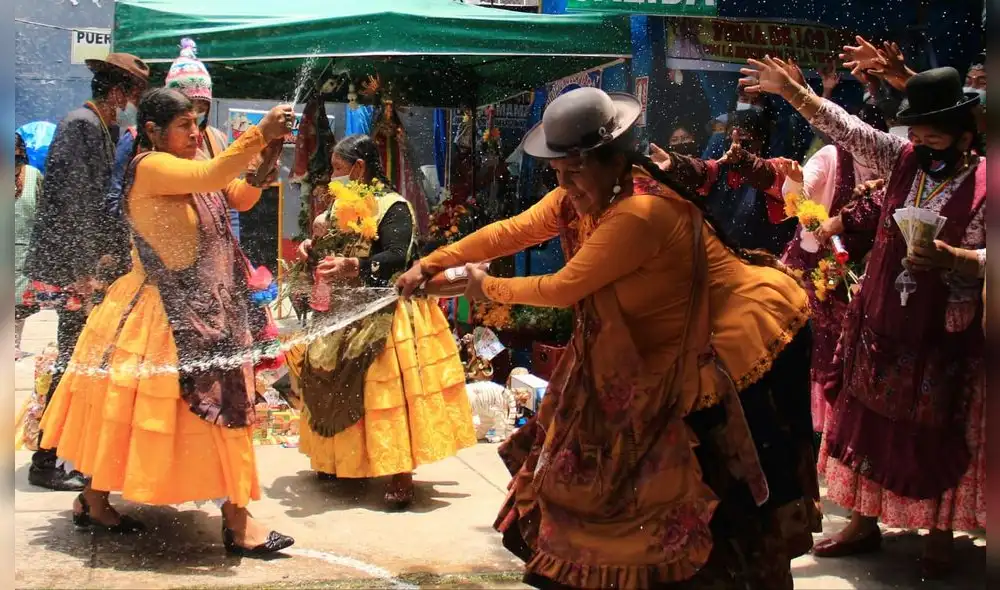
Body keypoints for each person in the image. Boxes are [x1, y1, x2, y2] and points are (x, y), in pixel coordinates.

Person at [398, 87, 819, 590]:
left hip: (730, 335)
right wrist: (432, 261)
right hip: (652, 342)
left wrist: (481, 285)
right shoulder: (584, 195)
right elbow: (511, 231)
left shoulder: (642, 213)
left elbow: (564, 286)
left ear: (613, 158)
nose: (565, 182)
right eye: (558, 171)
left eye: (575, 169)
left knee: (728, 480)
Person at [742, 59, 986, 577]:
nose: (925, 146)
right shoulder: (900, 159)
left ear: (966, 135)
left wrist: (955, 259)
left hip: (946, 334)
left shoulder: (990, 184)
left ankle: (939, 533)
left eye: (936, 137)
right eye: (918, 135)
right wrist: (795, 93)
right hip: (881, 320)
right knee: (865, 422)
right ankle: (862, 521)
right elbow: (847, 128)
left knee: (937, 432)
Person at [38, 88, 296, 556]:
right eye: (183, 125)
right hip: (161, 313)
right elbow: (212, 173)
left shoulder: (189, 165)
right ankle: (238, 522)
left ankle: (95, 499)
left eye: (197, 122)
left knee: (155, 416)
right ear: (153, 131)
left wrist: (264, 162)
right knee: (179, 416)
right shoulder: (152, 166)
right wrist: (260, 133)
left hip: (202, 308)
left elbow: (234, 196)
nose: (195, 132)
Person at [295, 134, 476, 509]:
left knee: (386, 393)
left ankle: (399, 471)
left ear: (359, 168)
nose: (332, 177)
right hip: (341, 313)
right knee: (328, 379)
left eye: (338, 169)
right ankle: (337, 459)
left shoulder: (394, 207)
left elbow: (396, 255)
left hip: (387, 311)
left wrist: (355, 265)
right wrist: (311, 250)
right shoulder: (336, 208)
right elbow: (328, 250)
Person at [24, 52, 150, 492]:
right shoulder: (80, 125)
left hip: (93, 268)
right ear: (119, 91)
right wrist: (83, 270)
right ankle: (46, 458)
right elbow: (69, 205)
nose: (135, 100)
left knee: (84, 359)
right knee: (73, 357)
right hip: (77, 272)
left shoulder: (105, 126)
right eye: (134, 92)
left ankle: (64, 451)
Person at [15, 132, 42, 361]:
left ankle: (13, 345)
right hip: (21, 248)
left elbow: (43, 211)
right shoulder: (33, 175)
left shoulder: (33, 176)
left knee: (17, 305)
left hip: (23, 250)